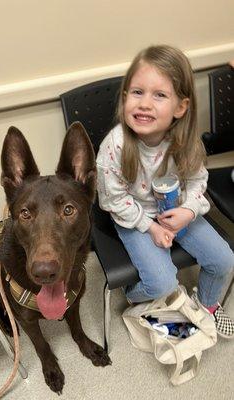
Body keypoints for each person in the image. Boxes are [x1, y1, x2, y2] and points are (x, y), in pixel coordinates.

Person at [96, 44, 234, 339]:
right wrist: (151, 228)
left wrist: (189, 211)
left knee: (225, 259)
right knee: (163, 285)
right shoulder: (115, 145)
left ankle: (207, 305)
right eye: (137, 92)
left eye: (159, 95)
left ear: (180, 107)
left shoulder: (184, 140)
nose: (145, 104)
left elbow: (198, 181)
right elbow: (113, 200)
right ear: (124, 98)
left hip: (177, 211)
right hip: (136, 217)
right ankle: (134, 296)